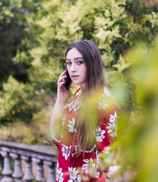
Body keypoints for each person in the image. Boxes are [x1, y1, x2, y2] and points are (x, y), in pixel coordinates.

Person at [50, 40, 117, 182]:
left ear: (92, 63)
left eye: (79, 62)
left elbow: (107, 156)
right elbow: (57, 138)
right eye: (69, 63)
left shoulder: (102, 101)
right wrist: (60, 100)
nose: (72, 69)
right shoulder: (79, 95)